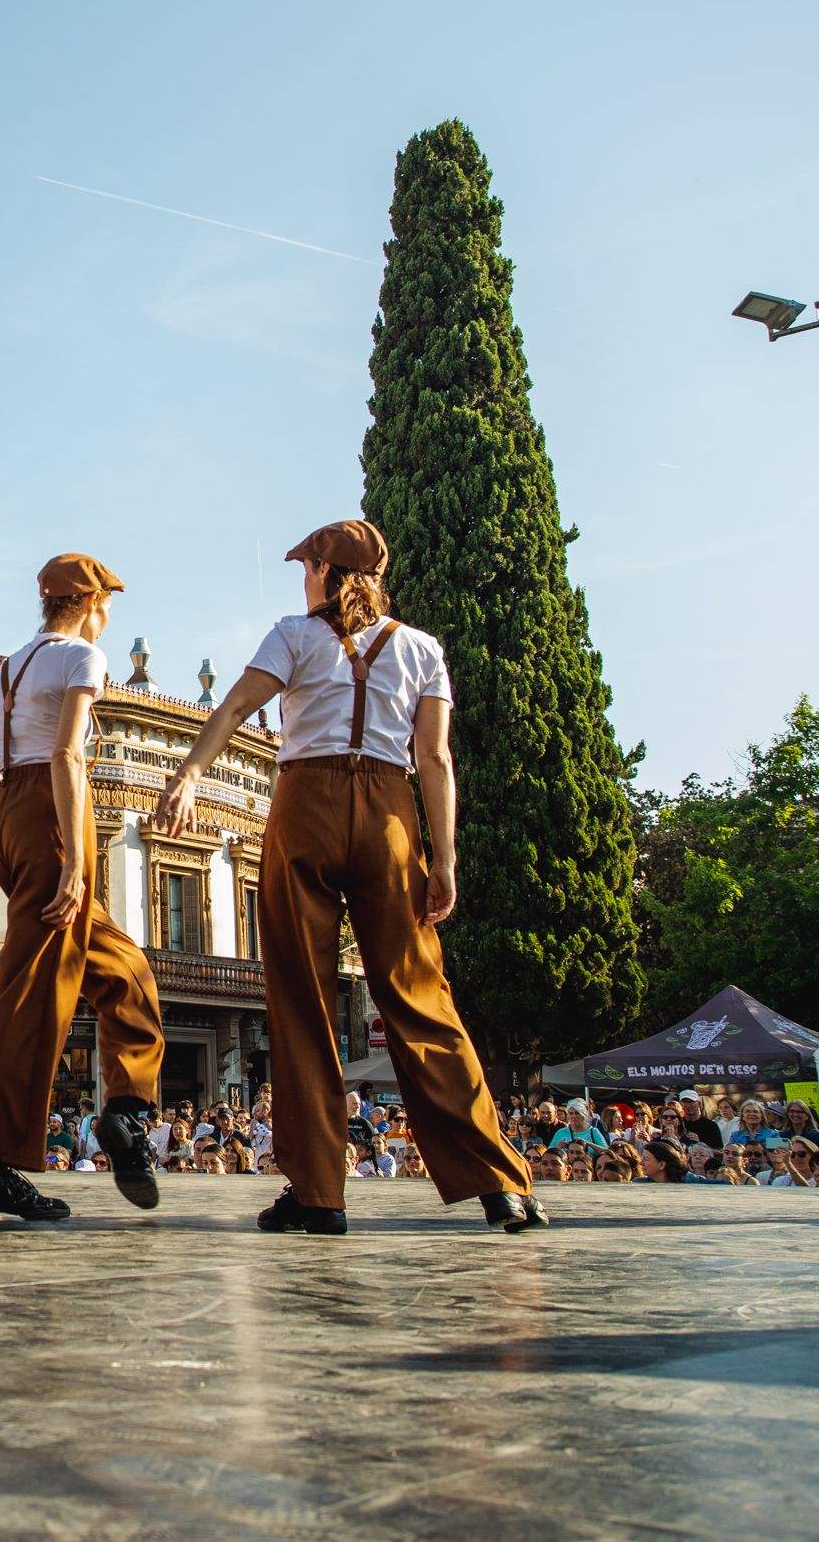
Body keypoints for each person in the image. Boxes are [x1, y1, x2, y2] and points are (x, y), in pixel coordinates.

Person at [156, 520, 541, 1237]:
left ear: (328, 572)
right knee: (421, 997)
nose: (302, 576)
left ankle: (319, 1192)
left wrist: (188, 774)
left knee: (300, 998)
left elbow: (237, 707)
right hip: (390, 816)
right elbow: (436, 762)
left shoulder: (295, 637)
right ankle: (499, 1183)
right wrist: (444, 857)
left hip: (307, 804)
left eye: (307, 565)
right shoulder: (423, 649)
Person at [0, 554, 165, 1224]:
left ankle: (127, 1110)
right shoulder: (81, 657)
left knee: (122, 967)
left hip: (10, 820)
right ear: (92, 603)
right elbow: (69, 755)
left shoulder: (7, 669)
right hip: (52, 819)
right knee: (28, 996)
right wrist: (74, 863)